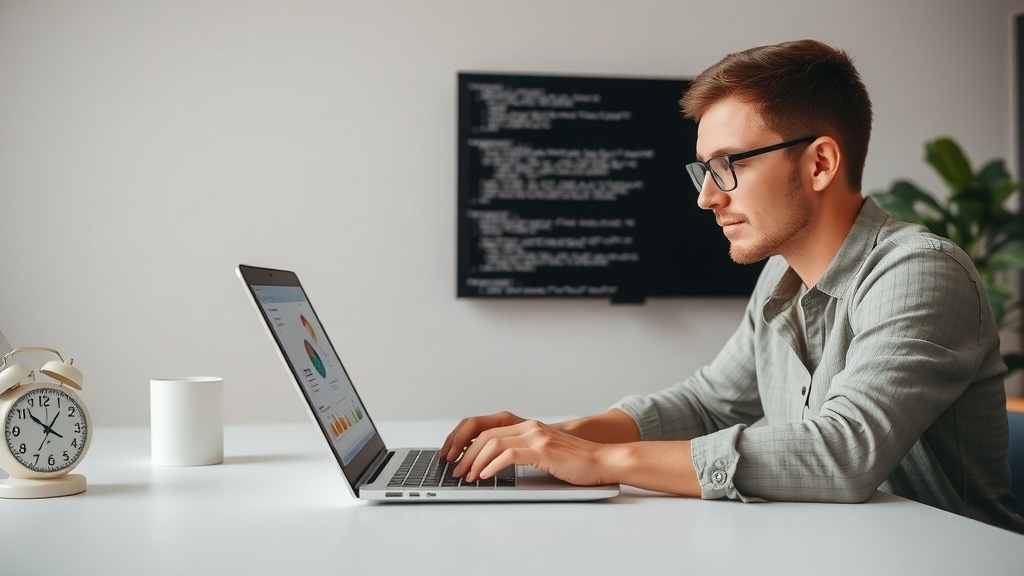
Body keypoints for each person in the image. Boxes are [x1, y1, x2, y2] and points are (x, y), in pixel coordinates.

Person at [439, 39, 1024, 533]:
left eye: (729, 165)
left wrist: (602, 460)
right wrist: (549, 438)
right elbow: (707, 403)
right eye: (704, 168)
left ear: (819, 164)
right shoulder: (783, 274)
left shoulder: (919, 272)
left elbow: (843, 452)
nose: (707, 196)